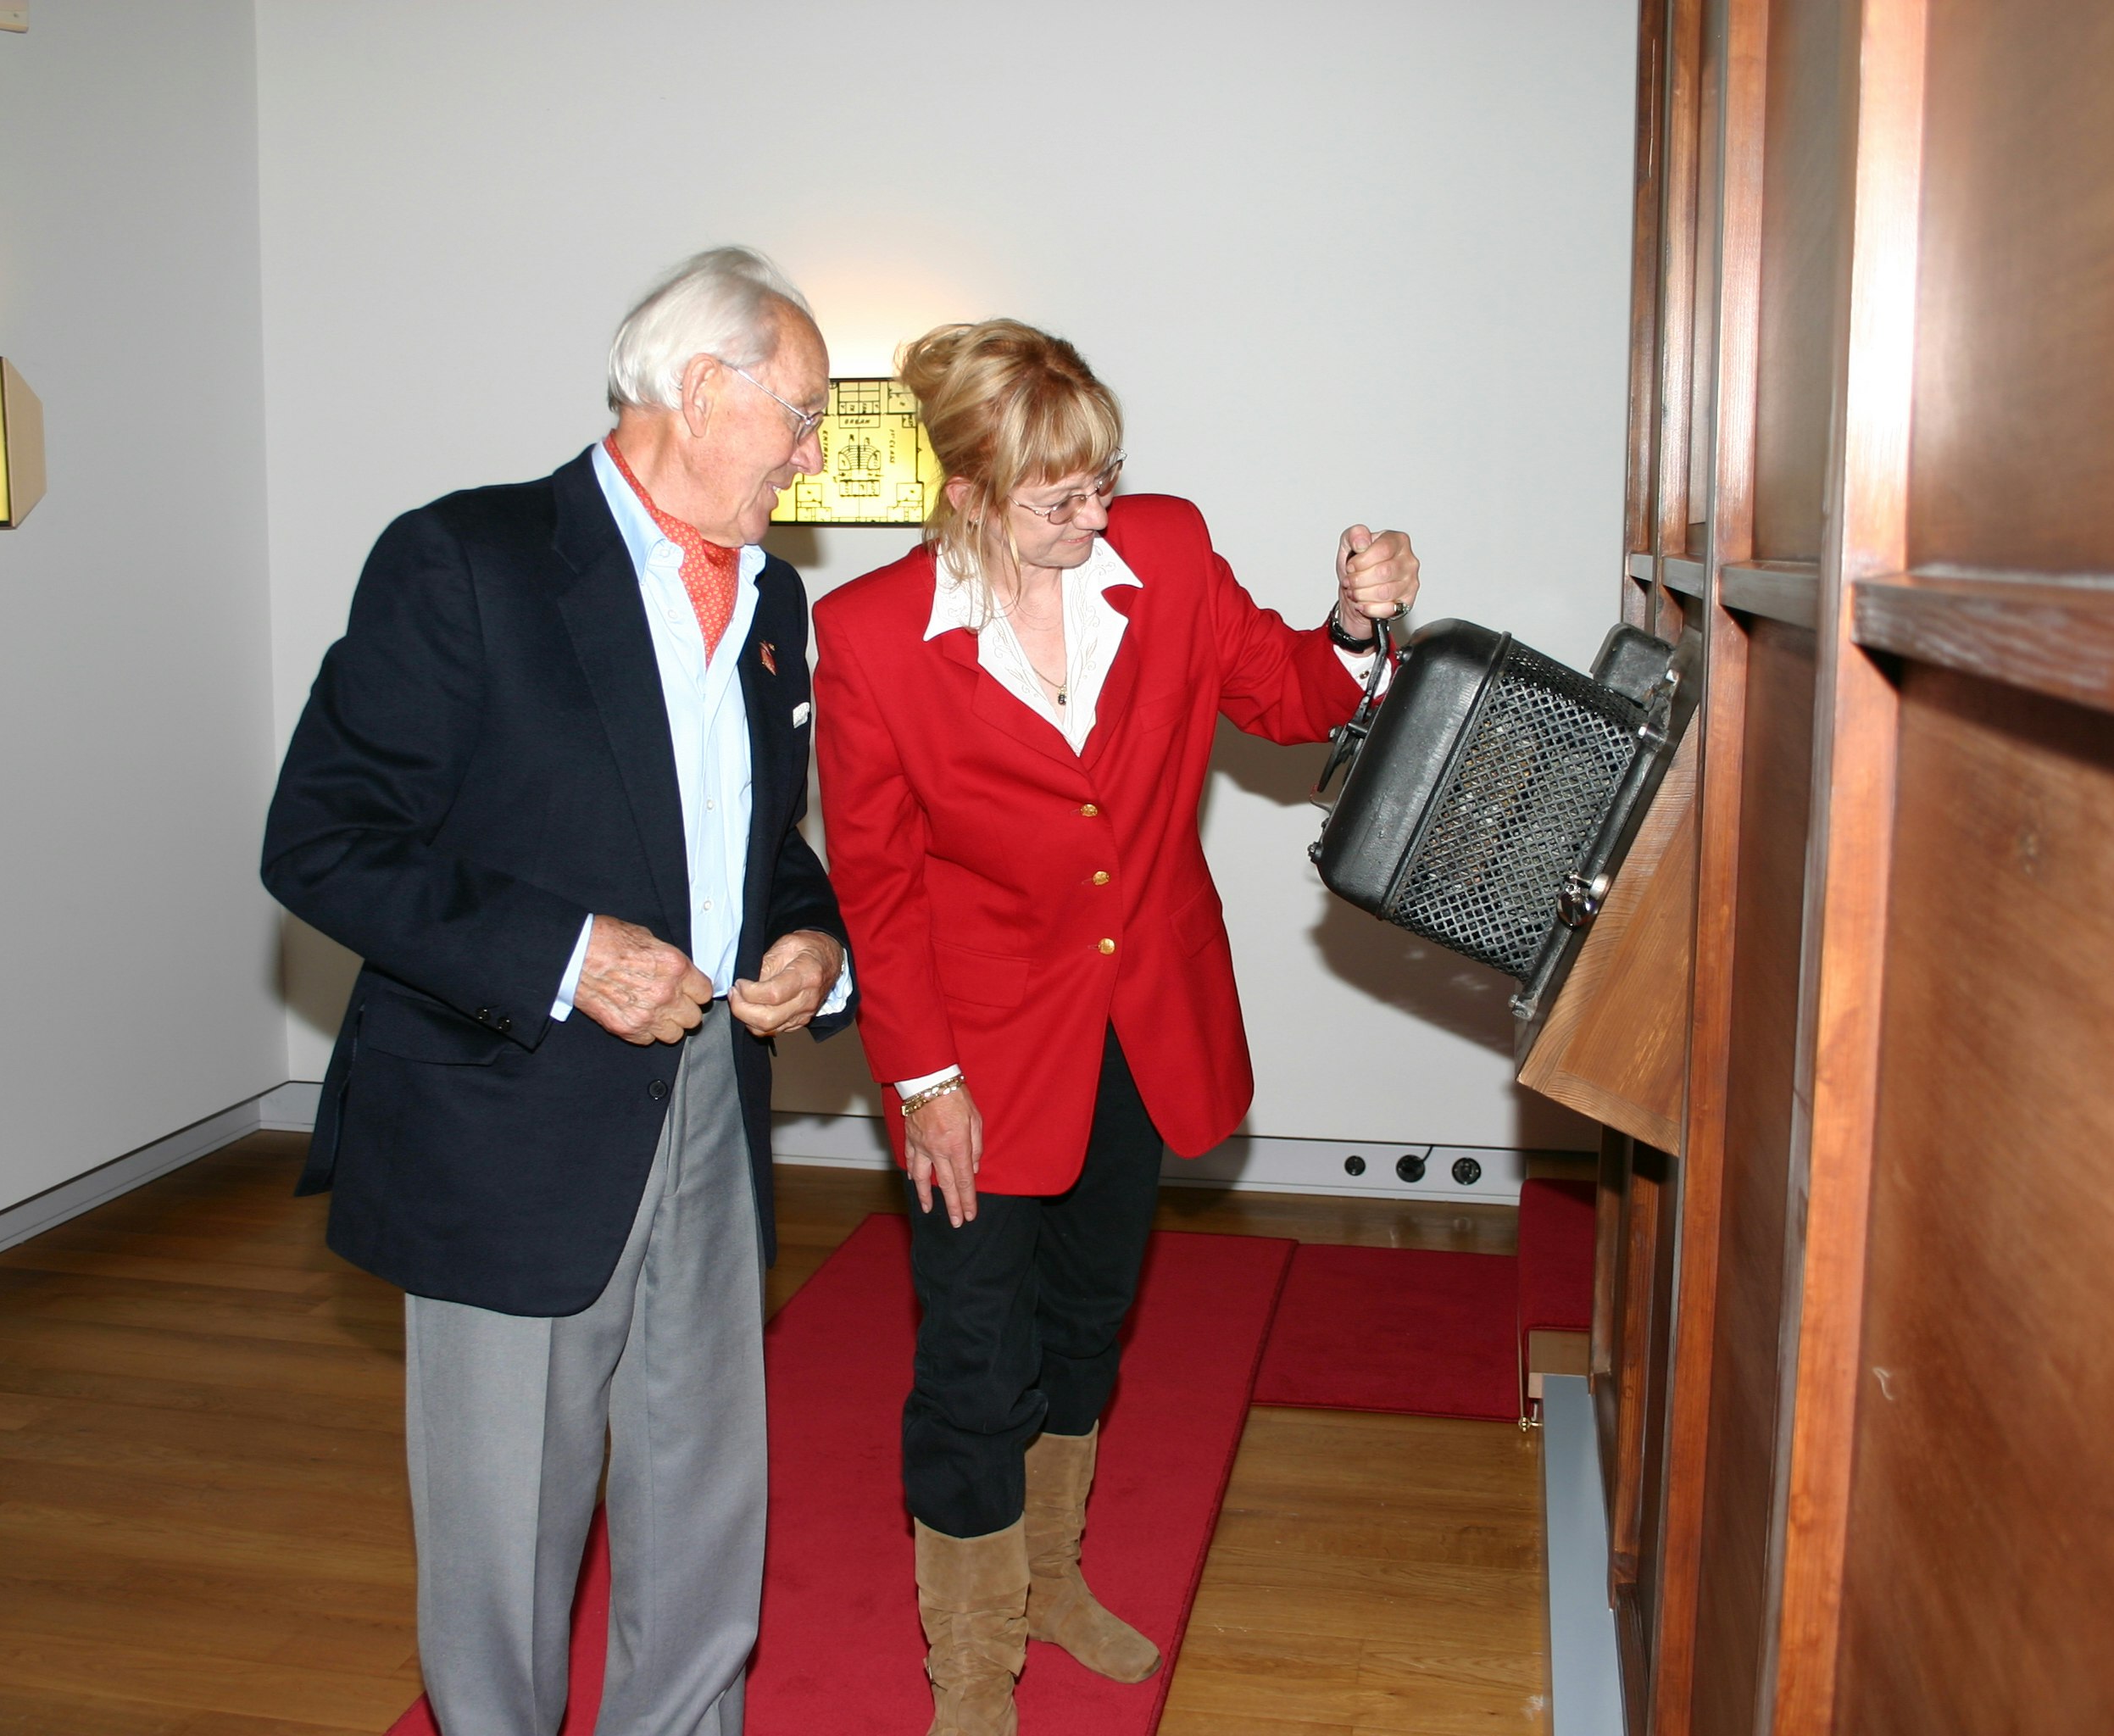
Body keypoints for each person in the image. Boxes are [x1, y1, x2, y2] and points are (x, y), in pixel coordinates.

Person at [261, 246, 853, 1736]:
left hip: (711, 1090)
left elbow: (752, 838)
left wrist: (814, 941)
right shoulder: (466, 560)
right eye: (802, 412)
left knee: (706, 1480)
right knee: (504, 1530)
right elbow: (321, 839)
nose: (811, 452)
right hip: (506, 1116)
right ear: (702, 388)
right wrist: (566, 954)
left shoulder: (772, 595)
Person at [810, 320, 1420, 1734]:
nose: (1099, 512)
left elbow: (1288, 696)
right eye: (1059, 496)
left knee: (1088, 1326)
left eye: (1105, 478)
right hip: (978, 1058)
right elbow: (880, 887)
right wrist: (922, 1083)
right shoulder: (870, 643)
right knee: (973, 1365)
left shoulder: (1166, 550)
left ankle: (1053, 1578)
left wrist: (1356, 623)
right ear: (967, 493)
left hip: (1145, 1029)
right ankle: (971, 1671)